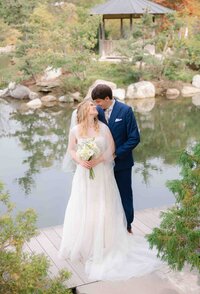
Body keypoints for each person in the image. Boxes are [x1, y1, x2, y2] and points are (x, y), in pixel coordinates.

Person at [59, 100, 161, 281]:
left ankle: (105, 242)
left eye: (94, 105)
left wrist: (97, 160)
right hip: (83, 174)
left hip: (102, 173)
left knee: (104, 205)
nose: (95, 108)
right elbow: (71, 150)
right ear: (84, 111)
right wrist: (80, 161)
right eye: (91, 106)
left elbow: (112, 148)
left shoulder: (103, 128)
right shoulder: (75, 130)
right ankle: (85, 244)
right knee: (84, 205)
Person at [91, 84, 140, 233]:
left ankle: (128, 226)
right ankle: (108, 227)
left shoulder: (125, 111)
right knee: (105, 196)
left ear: (107, 98)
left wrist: (115, 153)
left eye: (98, 102)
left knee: (125, 194)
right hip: (102, 165)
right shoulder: (96, 111)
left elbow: (134, 138)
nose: (96, 105)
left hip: (122, 163)